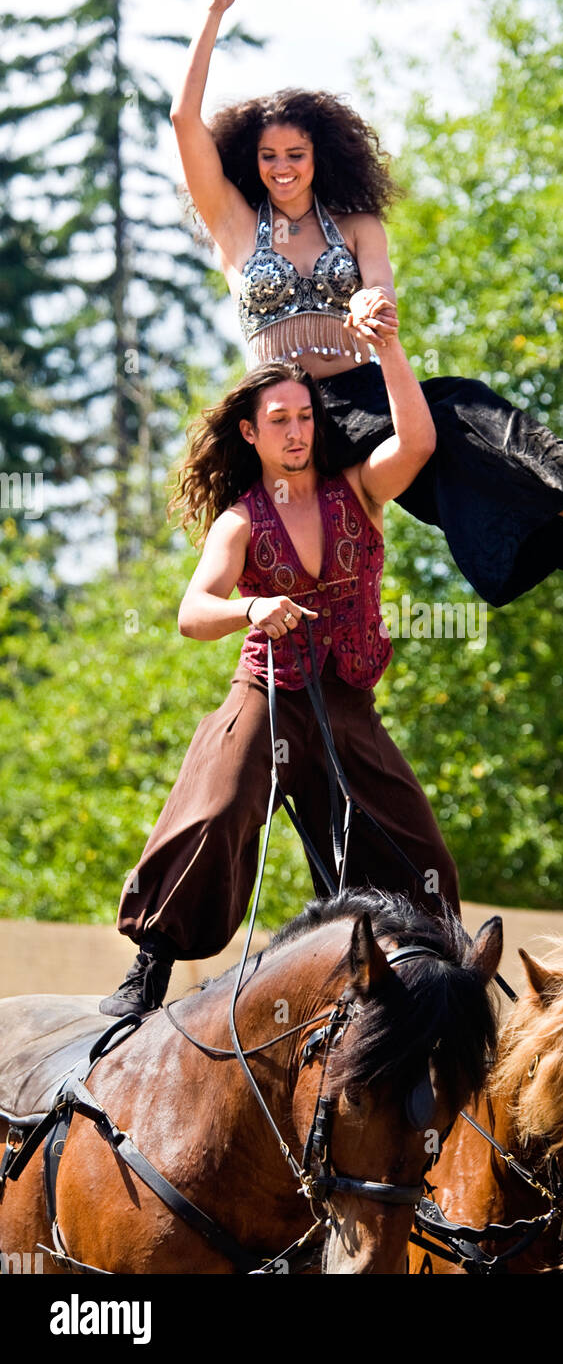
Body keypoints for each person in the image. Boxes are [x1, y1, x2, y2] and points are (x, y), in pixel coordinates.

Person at [168, 0, 563, 610]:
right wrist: (213, 12)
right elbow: (184, 121)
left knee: (454, 439)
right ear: (254, 159)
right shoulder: (237, 227)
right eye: (269, 156)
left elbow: (378, 285)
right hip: (297, 408)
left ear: (320, 157)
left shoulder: (356, 226)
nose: (283, 167)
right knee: (456, 402)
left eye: (296, 153)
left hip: (365, 394)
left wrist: (369, 303)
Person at [100, 316, 460, 1018]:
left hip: (350, 705)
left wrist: (387, 344)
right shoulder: (241, 520)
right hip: (270, 694)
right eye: (279, 420)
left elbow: (417, 442)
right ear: (250, 433)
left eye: (304, 417)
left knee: (423, 856)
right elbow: (192, 611)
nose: (296, 432)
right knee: (219, 807)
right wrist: (252, 607)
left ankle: (424, 994)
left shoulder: (357, 490)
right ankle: (150, 967)